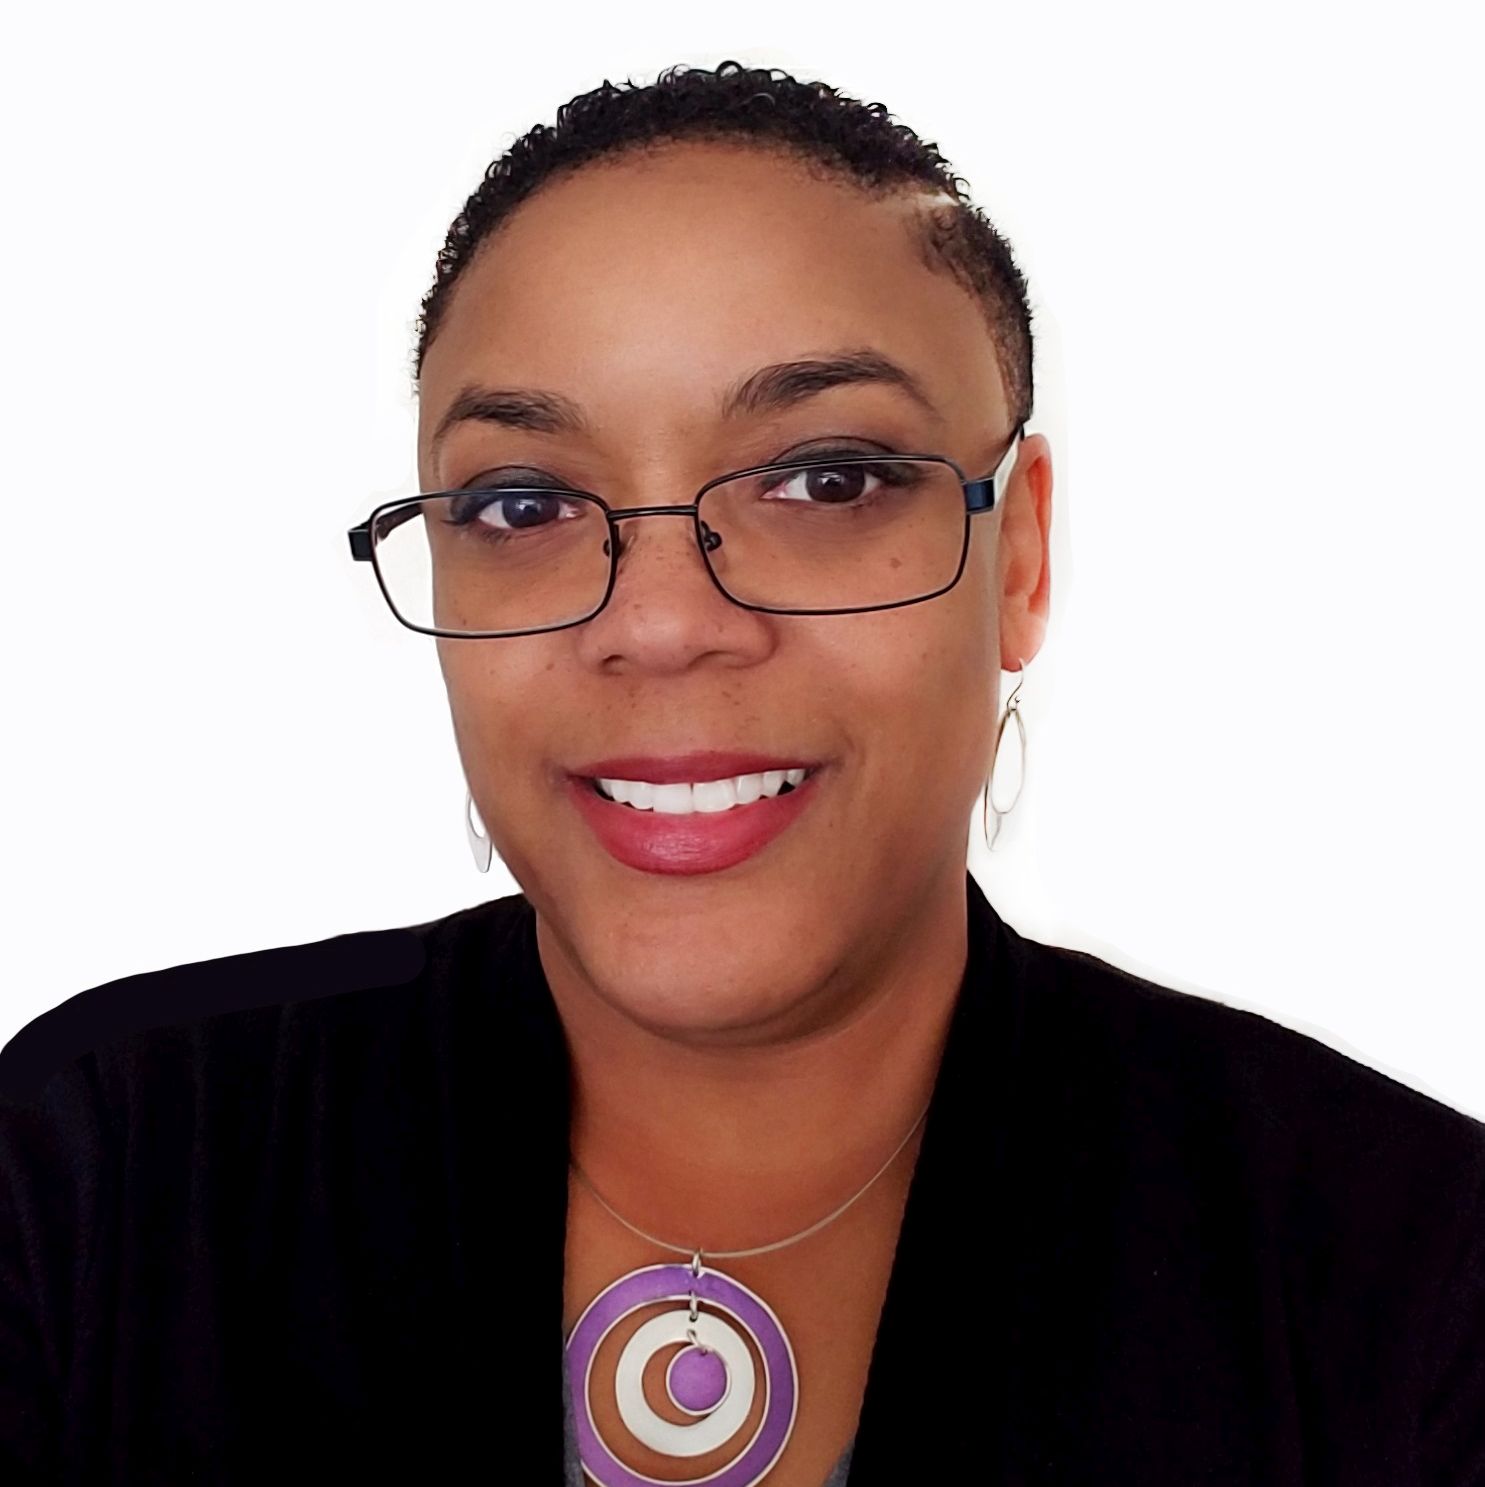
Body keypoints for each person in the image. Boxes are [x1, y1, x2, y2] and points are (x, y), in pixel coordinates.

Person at [2, 59, 1482, 1487]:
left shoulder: (1407, 1270)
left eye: (826, 479)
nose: (658, 623)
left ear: (1017, 554)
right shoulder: (101, 1168)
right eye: (522, 501)